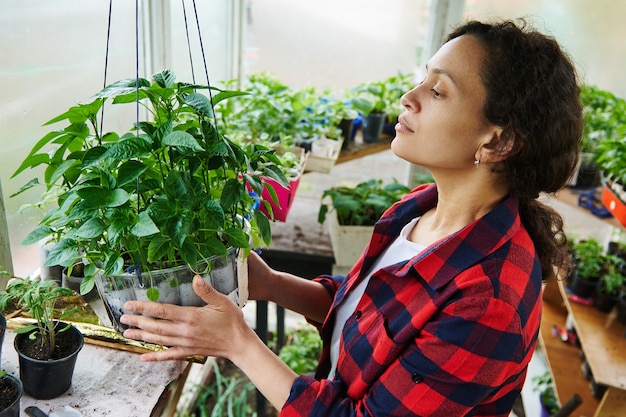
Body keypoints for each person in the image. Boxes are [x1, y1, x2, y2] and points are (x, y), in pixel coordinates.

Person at [120, 19, 582, 416]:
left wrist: (239, 344)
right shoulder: (421, 208)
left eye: (438, 90)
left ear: (497, 142)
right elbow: (371, 314)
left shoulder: (487, 301)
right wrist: (273, 284)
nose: (408, 96)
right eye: (423, 79)